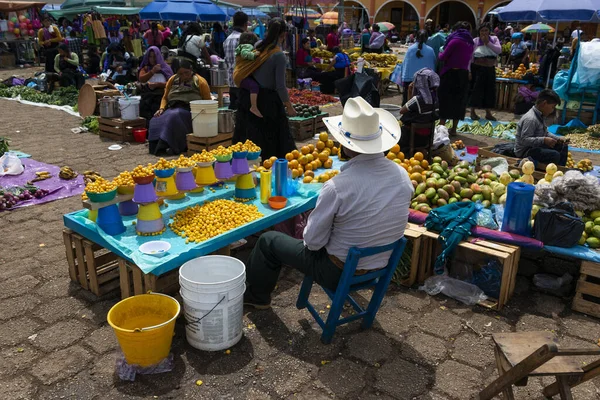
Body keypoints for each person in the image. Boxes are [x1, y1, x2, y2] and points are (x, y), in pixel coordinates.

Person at [243, 96, 413, 309]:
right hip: (381, 266)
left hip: (338, 272)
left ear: (346, 146)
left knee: (269, 241)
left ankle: (257, 297)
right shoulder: (403, 175)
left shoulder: (338, 187)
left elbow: (313, 243)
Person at [232, 18, 296, 159]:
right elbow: (280, 86)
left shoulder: (258, 45)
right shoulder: (278, 55)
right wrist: (289, 106)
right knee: (270, 143)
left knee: (250, 137)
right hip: (268, 102)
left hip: (250, 97)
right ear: (284, 34)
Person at [149, 58, 211, 155]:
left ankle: (171, 146)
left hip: (191, 112)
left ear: (191, 69)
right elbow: (165, 97)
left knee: (174, 116)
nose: (184, 76)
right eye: (180, 74)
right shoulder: (172, 80)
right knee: (155, 119)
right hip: (172, 108)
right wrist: (161, 108)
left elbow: (208, 101)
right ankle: (156, 146)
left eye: (186, 73)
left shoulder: (200, 81)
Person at [438, 21, 475, 136]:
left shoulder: (455, 41)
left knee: (445, 100)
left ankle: (441, 127)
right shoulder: (470, 42)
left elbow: (443, 57)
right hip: (463, 75)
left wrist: (439, 52)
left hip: (450, 74)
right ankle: (454, 129)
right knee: (459, 101)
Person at [515, 89, 568, 166]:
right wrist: (544, 140)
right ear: (544, 103)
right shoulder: (531, 119)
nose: (552, 110)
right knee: (554, 155)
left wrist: (558, 138)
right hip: (525, 150)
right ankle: (552, 170)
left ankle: (560, 168)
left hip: (535, 146)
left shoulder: (540, 115)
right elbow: (524, 140)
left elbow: (545, 133)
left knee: (562, 146)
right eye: (552, 107)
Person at [399, 68, 440, 155]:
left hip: (412, 137)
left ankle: (407, 152)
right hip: (427, 138)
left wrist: (409, 92)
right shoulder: (435, 98)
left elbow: (402, 111)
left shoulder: (417, 99)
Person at [469, 23, 502, 121]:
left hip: (489, 68)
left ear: (489, 31)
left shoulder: (494, 39)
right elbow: (471, 57)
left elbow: (498, 50)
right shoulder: (475, 41)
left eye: (486, 30)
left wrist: (487, 42)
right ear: (479, 32)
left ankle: (488, 112)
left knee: (489, 90)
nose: (484, 33)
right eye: (482, 31)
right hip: (478, 68)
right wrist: (469, 70)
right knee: (476, 89)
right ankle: (472, 111)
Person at [138, 46, 174, 123]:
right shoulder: (146, 68)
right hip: (147, 97)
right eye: (150, 57)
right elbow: (141, 79)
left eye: (154, 57)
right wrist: (152, 72)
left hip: (161, 97)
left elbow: (171, 82)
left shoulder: (165, 68)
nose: (152, 59)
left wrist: (158, 84)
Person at [401, 30, 436, 106]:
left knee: (408, 105)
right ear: (427, 38)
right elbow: (432, 68)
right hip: (425, 82)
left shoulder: (410, 49)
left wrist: (404, 80)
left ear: (416, 37)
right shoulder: (430, 50)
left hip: (410, 81)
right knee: (423, 106)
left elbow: (405, 66)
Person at [224, 11, 249, 110]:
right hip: (243, 82)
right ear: (245, 24)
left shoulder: (227, 40)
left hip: (231, 82)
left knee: (234, 113)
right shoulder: (243, 39)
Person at [235, 32, 263, 118]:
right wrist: (254, 55)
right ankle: (254, 107)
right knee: (254, 86)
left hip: (238, 75)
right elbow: (244, 54)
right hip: (241, 76)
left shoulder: (241, 46)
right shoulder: (248, 46)